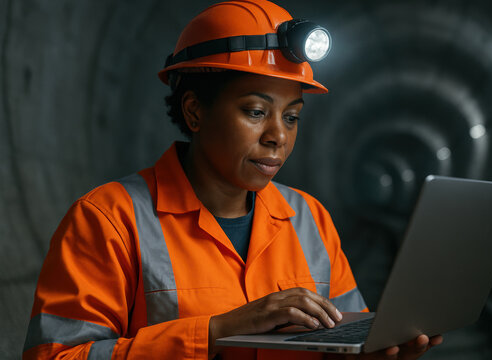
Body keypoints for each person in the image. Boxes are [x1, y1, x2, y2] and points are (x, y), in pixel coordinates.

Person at [23, 1, 442, 359]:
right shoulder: (109, 220)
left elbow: (343, 343)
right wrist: (215, 331)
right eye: (256, 112)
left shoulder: (308, 218)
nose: (278, 135)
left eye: (292, 116)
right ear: (194, 112)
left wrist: (379, 352)